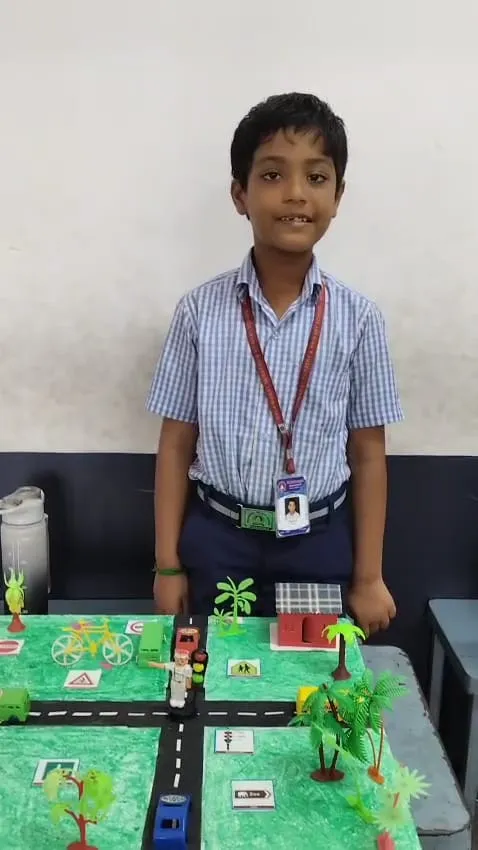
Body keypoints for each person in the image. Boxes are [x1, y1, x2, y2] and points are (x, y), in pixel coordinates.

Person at [147, 92, 403, 635]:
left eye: (317, 177)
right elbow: (175, 445)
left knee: (307, 674)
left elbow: (368, 455)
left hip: (317, 543)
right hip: (218, 538)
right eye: (271, 175)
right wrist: (168, 565)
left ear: (338, 196)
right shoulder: (198, 312)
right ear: (239, 194)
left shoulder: (359, 319)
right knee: (214, 669)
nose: (296, 194)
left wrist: (368, 577)